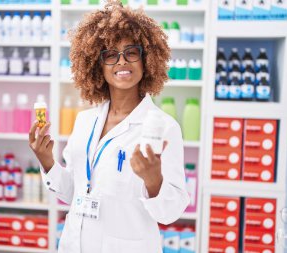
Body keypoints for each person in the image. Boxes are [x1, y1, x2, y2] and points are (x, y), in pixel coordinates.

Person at [29, 1, 190, 252]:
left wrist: (153, 180)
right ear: (97, 65)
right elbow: (75, 191)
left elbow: (171, 212)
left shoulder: (164, 127)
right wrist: (47, 161)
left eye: (131, 52)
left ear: (146, 60)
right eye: (110, 55)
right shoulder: (85, 121)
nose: (121, 62)